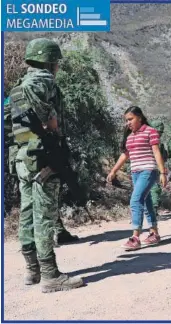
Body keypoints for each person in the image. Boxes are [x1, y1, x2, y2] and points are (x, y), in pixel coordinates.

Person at [8, 38, 83, 293]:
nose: (57, 67)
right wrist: (52, 132)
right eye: (56, 62)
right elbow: (48, 121)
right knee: (44, 213)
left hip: (22, 155)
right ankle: (50, 275)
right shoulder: (43, 81)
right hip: (42, 156)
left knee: (27, 212)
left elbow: (8, 122)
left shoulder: (18, 87)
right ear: (50, 61)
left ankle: (32, 270)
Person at [107, 106, 167, 250]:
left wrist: (162, 172)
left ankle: (135, 237)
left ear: (139, 117)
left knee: (135, 200)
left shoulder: (150, 131)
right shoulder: (130, 136)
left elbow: (156, 152)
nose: (128, 123)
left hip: (148, 170)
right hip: (135, 172)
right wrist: (113, 171)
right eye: (126, 120)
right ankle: (154, 233)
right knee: (146, 201)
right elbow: (125, 155)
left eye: (130, 119)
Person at [149, 120, 168, 214]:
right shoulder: (150, 141)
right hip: (149, 167)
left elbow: (162, 157)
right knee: (154, 188)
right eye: (158, 131)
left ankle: (153, 209)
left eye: (161, 132)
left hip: (157, 168)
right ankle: (153, 209)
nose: (159, 134)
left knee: (156, 188)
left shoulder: (159, 143)